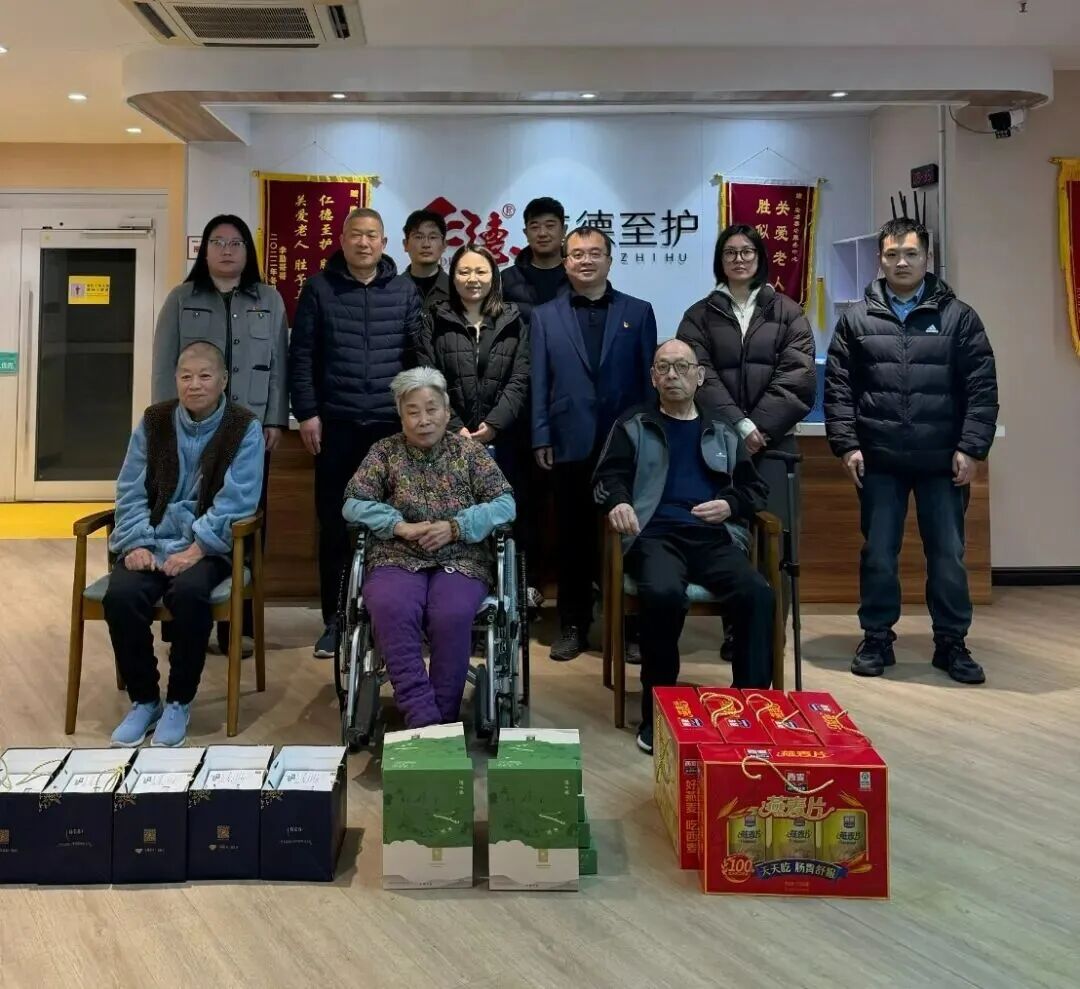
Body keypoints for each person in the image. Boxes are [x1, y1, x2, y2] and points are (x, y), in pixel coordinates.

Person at [825, 217, 998, 684]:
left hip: (942, 462)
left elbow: (982, 388)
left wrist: (972, 448)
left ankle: (951, 643)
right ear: (880, 260)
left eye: (910, 254)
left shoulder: (959, 317)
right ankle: (877, 637)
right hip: (880, 460)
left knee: (948, 555)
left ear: (927, 258)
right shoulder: (856, 319)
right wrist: (847, 445)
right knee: (879, 554)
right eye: (892, 254)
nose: (901, 262)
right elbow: (838, 389)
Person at [593, 339, 773, 754]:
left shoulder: (722, 429)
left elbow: (754, 489)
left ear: (699, 376)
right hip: (654, 536)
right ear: (653, 377)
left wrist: (730, 505)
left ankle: (749, 708)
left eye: (681, 366)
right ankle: (658, 711)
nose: (672, 375)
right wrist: (619, 501)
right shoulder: (633, 424)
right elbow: (606, 478)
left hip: (712, 536)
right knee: (663, 594)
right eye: (663, 367)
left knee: (757, 594)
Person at [104, 342, 264, 747]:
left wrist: (197, 548)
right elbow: (130, 487)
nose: (195, 385)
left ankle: (178, 700)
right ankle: (145, 700)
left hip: (209, 546)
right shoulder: (154, 420)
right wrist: (136, 542)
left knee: (190, 594)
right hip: (152, 539)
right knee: (121, 596)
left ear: (223, 380)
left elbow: (239, 500)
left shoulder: (244, 426)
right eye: (186, 376)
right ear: (175, 380)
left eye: (205, 376)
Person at [343, 367, 516, 728]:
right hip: (396, 555)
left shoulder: (470, 453)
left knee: (450, 613)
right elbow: (353, 503)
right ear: (400, 416)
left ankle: (441, 721)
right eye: (413, 412)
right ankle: (425, 720)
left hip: (461, 557)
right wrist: (399, 525)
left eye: (431, 409)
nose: (423, 420)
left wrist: (456, 527)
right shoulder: (385, 452)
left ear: (447, 411)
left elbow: (505, 504)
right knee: (391, 605)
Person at [151, 214, 288, 656]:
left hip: (248, 429)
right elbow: (164, 365)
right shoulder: (181, 298)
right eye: (217, 242)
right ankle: (180, 622)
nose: (227, 250)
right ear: (204, 250)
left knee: (245, 524)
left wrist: (273, 420)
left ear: (249, 251)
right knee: (183, 514)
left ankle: (238, 628)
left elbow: (278, 367)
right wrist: (165, 425)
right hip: (190, 428)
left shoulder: (268, 298)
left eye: (236, 243)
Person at [289, 207, 422, 658]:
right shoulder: (319, 288)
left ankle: (390, 621)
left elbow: (416, 358)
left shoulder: (403, 290)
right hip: (337, 426)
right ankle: (336, 620)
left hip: (390, 431)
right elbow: (301, 356)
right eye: (356, 235)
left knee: (393, 526)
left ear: (384, 243)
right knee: (335, 525)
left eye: (372, 236)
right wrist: (307, 412)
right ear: (342, 240)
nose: (364, 243)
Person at [677, 223, 816, 655]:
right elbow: (697, 375)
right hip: (715, 445)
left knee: (777, 539)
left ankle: (771, 632)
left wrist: (760, 428)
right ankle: (735, 632)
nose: (739, 259)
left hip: (775, 447)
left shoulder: (788, 312)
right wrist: (740, 426)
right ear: (719, 260)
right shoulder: (699, 315)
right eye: (730, 252)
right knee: (726, 536)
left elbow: (797, 379)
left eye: (747, 251)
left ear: (760, 258)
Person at [531, 225, 658, 661]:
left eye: (594, 253)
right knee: (573, 538)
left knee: (631, 536)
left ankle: (631, 627)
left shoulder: (638, 312)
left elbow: (648, 382)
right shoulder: (544, 316)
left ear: (609, 259)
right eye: (577, 254)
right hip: (569, 442)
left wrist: (648, 438)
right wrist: (542, 434)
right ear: (565, 262)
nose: (586, 261)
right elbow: (540, 382)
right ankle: (573, 624)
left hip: (626, 445)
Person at [414, 244, 538, 600]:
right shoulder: (434, 318)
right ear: (453, 277)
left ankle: (509, 598)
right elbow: (428, 376)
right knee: (454, 519)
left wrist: (494, 424)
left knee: (506, 519)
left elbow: (520, 378)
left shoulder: (514, 319)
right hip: (448, 441)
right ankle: (457, 600)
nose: (473, 279)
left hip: (505, 441)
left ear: (494, 277)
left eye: (481, 271)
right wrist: (456, 427)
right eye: (464, 271)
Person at [501, 196, 569, 322]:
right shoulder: (506, 279)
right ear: (526, 233)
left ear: (564, 230)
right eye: (535, 227)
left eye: (550, 226)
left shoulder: (577, 275)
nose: (542, 233)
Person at [402, 209, 450, 312]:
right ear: (405, 244)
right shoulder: (391, 290)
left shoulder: (456, 290)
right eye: (419, 237)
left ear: (444, 245)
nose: (426, 244)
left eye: (433, 237)